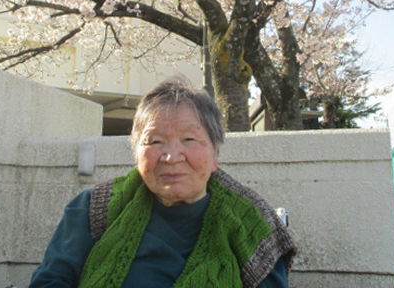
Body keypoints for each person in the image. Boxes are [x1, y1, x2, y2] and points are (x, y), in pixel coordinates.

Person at [29, 76, 297, 288]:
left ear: (215, 154)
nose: (171, 157)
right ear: (136, 152)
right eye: (154, 141)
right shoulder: (90, 211)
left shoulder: (253, 225)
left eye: (189, 140)